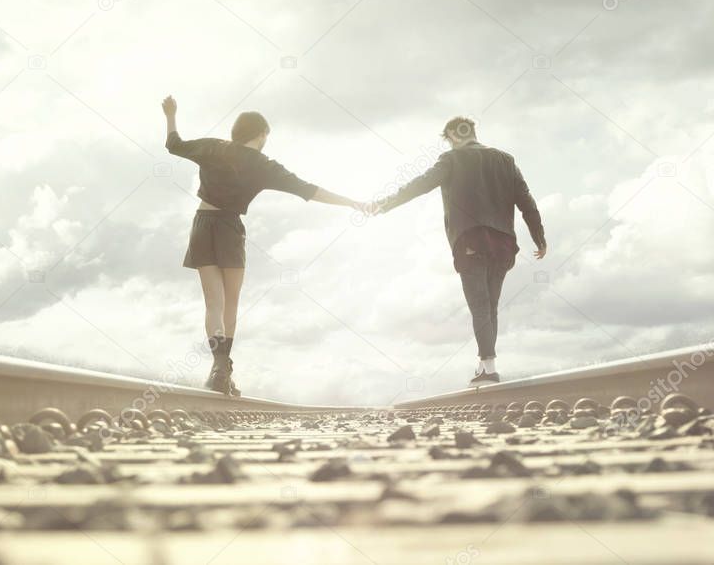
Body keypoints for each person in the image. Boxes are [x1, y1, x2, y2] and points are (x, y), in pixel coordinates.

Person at [161, 95, 361, 396]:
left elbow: (174, 144)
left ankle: (219, 368)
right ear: (263, 134)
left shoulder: (214, 147)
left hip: (202, 223)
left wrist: (171, 114)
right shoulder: (264, 165)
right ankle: (222, 369)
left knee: (213, 303)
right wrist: (351, 202)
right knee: (231, 304)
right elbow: (308, 190)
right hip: (229, 228)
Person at [372, 116, 547, 386]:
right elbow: (527, 201)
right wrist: (539, 237)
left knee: (479, 305)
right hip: (503, 244)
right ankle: (485, 365)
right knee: (490, 306)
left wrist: (387, 203)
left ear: (453, 135)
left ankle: (489, 369)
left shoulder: (452, 159)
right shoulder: (505, 160)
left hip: (471, 241)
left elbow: (421, 184)